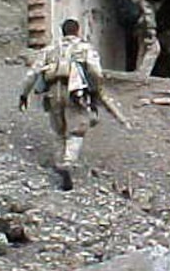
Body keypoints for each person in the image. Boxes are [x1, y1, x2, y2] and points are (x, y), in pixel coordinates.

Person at [19, 18, 128, 190]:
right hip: (75, 94)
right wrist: (95, 88)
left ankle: (59, 162)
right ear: (77, 31)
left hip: (53, 93)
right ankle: (68, 163)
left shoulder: (49, 50)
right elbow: (95, 71)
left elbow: (32, 74)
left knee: (58, 130)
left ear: (62, 31)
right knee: (76, 130)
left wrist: (24, 94)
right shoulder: (85, 48)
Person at [127, 0, 164, 78]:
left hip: (141, 22)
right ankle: (143, 74)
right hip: (146, 22)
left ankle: (139, 72)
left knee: (143, 48)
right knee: (154, 48)